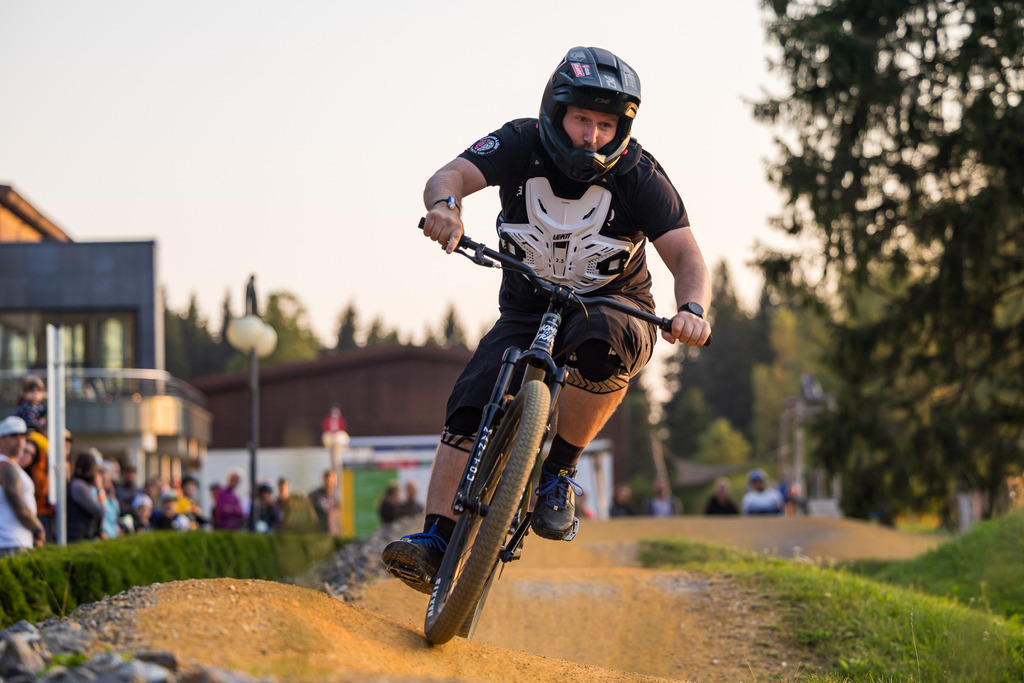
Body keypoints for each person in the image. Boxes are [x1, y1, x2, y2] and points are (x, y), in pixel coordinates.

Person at [382, 46, 712, 593]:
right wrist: (446, 206)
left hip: (612, 304)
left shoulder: (640, 173)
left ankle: (558, 474)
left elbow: (687, 256)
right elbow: (451, 174)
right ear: (555, 110)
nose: (592, 136)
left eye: (606, 125)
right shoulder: (519, 142)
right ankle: (436, 539)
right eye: (582, 119)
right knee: (469, 401)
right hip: (527, 307)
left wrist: (693, 309)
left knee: (601, 348)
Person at [0, 416, 45, 555]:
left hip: (15, 542)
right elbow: (19, 507)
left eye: (23, 436)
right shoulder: (5, 465)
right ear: (1, 439)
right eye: (14, 436)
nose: (20, 441)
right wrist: (39, 529)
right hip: (10, 543)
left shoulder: (11, 465)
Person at [22, 431, 55, 541]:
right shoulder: (9, 468)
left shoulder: (35, 472)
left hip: (37, 516)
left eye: (32, 455)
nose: (27, 456)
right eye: (25, 451)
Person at [66, 450, 106, 542]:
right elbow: (100, 511)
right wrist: (100, 489)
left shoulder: (81, 486)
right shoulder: (79, 486)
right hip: (77, 538)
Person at [309, 469, 339, 535]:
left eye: (330, 477)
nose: (328, 480)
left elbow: (338, 510)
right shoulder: (315, 494)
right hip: (318, 532)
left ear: (334, 480)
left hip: (332, 531)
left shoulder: (336, 495)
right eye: (326, 477)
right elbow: (306, 505)